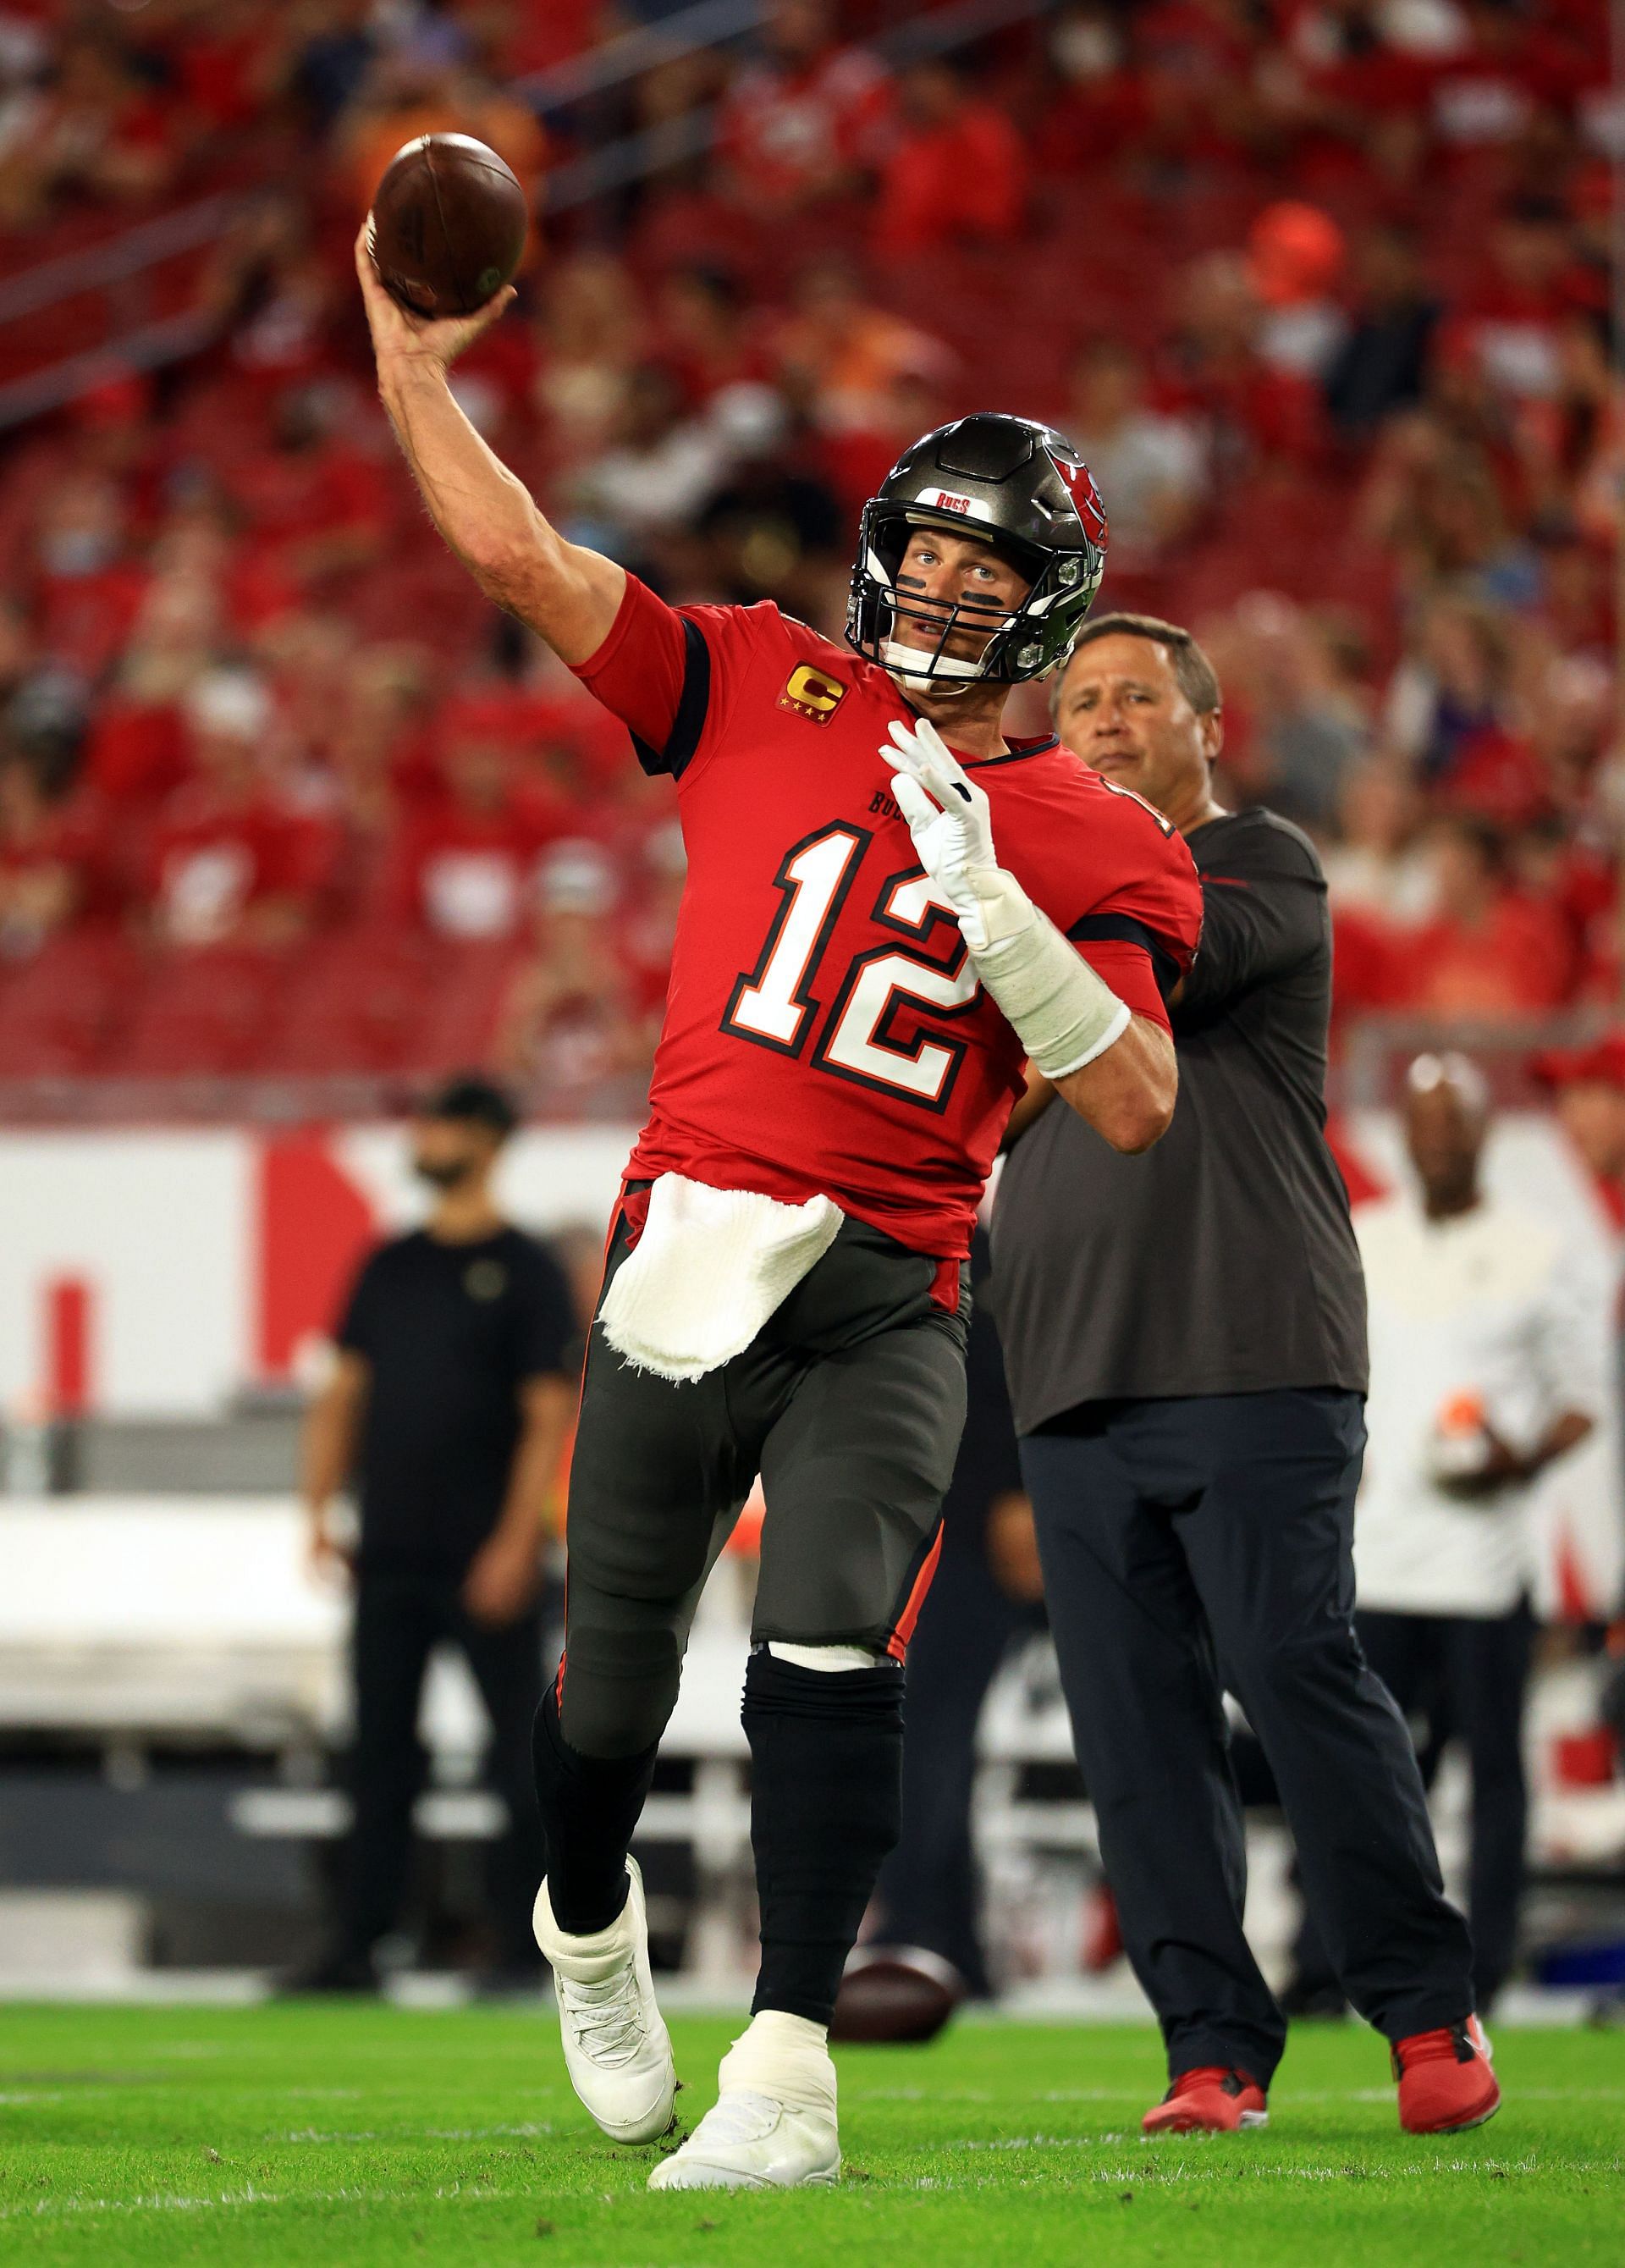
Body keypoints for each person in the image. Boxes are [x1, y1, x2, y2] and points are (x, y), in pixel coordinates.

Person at [354, 231, 1204, 2188]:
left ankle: (791, 2067)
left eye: (986, 575)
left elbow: (1135, 1096)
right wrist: (414, 370)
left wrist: (1003, 914)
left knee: (831, 1651)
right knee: (616, 1681)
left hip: (891, 1288)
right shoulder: (755, 669)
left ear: (1048, 609)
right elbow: (528, 565)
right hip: (684, 1249)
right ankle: (586, 1916)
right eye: (925, 551)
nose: (938, 590)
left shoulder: (1099, 834)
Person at [994, 611, 1501, 2138]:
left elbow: (1141, 976)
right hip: (1072, 1367)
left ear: (1207, 727)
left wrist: (1000, 900)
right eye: (1076, 699)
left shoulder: (1257, 862)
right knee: (1133, 1721)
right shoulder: (1026, 908)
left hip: (1252, 1345)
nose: (1101, 717)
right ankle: (1211, 2046)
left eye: (1138, 695)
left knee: (1293, 1666)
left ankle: (1422, 2008)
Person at [1287, 1053, 1600, 2015]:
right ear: (1406, 1138)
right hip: (1378, 1556)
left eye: (1454, 1125)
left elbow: (1582, 1402)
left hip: (1486, 1561)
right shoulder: (1365, 1238)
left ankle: (1485, 1966)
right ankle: (1325, 1960)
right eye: (1423, 1126)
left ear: (1484, 1134)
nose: (1438, 1142)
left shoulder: (1539, 1249)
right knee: (1362, 1771)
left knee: (1495, 1773)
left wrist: (1516, 1460)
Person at [291, 1075, 576, 1994]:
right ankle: (360, 1943)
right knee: (378, 1754)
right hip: (392, 1549)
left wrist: (513, 1542)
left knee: (516, 1758)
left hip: (482, 1550)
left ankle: (522, 1945)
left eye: (444, 1123)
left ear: (489, 1140)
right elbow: (344, 1395)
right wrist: (318, 1509)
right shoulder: (390, 1264)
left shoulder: (527, 1270)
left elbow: (547, 1415)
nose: (426, 1137)